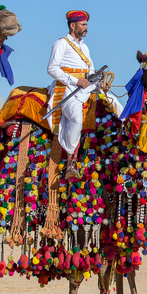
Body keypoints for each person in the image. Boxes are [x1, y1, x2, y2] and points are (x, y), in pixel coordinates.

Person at [46, 11, 97, 179]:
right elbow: (52, 68)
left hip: (86, 88)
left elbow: (91, 71)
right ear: (72, 25)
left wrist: (98, 82)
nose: (86, 28)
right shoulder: (61, 44)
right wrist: (76, 81)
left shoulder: (85, 47)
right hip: (67, 89)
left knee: (113, 105)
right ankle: (71, 161)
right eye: (83, 25)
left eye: (86, 25)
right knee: (76, 118)